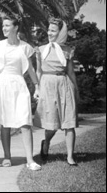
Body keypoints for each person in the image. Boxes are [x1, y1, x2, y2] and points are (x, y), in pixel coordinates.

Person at [0, 15, 41, 171]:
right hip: (3, 84)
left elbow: (31, 70)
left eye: (7, 25)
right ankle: (7, 156)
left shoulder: (25, 47)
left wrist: (37, 86)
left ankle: (30, 159)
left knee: (25, 121)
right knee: (5, 123)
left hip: (19, 84)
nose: (4, 28)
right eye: (3, 26)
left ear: (16, 27)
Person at [33, 18, 79, 166]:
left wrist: (76, 89)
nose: (49, 33)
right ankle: (46, 143)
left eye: (53, 30)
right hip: (47, 85)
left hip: (64, 85)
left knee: (69, 123)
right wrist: (37, 89)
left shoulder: (67, 50)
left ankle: (70, 157)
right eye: (49, 30)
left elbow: (71, 72)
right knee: (51, 124)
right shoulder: (40, 50)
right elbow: (38, 71)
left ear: (60, 33)